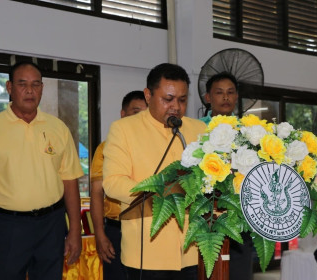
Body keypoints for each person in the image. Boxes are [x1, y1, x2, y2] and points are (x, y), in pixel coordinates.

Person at [0, 62, 83, 280]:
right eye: (22, 84)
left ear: (42, 88)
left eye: (36, 85)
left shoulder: (58, 128)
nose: (30, 90)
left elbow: (70, 182)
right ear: (9, 87)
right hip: (6, 227)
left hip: (51, 226)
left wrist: (74, 231)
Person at [102, 63, 206, 280]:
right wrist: (159, 192)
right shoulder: (124, 129)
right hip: (147, 253)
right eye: (168, 99)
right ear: (148, 95)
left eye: (182, 99)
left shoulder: (199, 130)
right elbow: (113, 183)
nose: (175, 106)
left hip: (194, 250)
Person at [200, 72, 254, 280]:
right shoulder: (196, 128)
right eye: (219, 93)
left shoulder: (248, 132)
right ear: (208, 97)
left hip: (239, 215)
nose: (225, 97)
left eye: (230, 92)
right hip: (206, 215)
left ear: (236, 97)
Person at [90, 90, 147, 280]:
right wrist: (100, 235)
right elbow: (97, 193)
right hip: (117, 230)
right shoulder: (106, 148)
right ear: (123, 115)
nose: (141, 119)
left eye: (145, 114)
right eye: (135, 112)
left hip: (148, 229)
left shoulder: (156, 148)